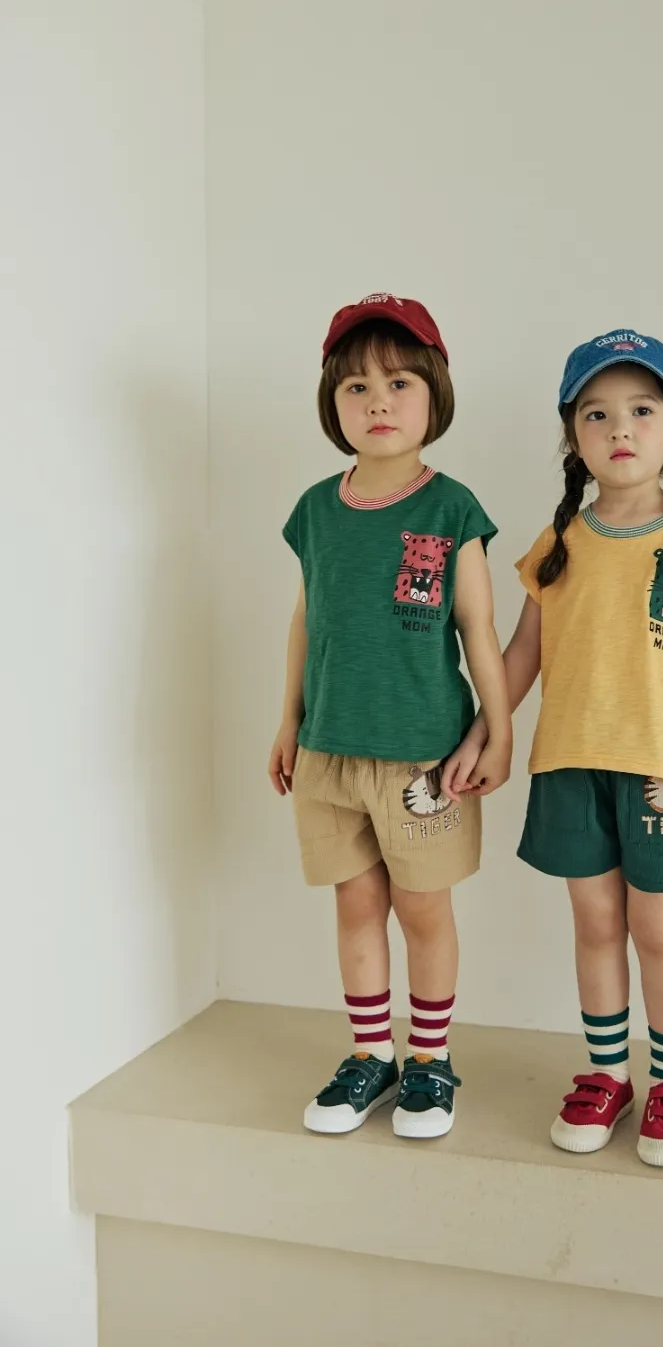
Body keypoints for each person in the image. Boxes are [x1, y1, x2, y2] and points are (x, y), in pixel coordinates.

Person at [445, 329, 663, 1166]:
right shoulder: (559, 547)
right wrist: (485, 731)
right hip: (569, 765)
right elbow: (521, 655)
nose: (620, 427)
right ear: (573, 439)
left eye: (642, 410)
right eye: (596, 413)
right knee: (594, 923)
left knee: (658, 928)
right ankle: (607, 1075)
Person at [270, 294, 510, 1139]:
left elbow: (479, 628)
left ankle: (430, 1062)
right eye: (357, 387)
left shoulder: (451, 509)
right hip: (329, 751)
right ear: (332, 404)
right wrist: (288, 722)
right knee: (355, 904)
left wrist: (499, 728)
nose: (379, 402)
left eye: (399, 382)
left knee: (423, 910)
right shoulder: (315, 509)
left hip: (423, 759)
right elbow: (307, 620)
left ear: (434, 394)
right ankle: (371, 1055)